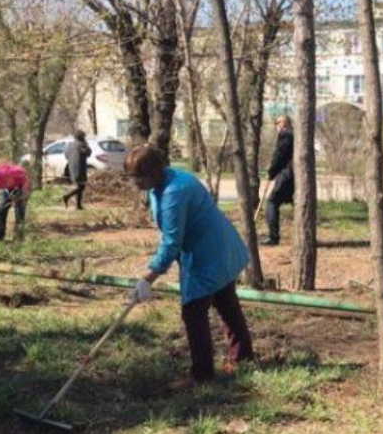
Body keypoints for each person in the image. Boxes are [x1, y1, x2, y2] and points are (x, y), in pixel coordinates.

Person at [126, 145, 254, 386]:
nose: (135, 183)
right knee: (226, 302)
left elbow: (172, 241)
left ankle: (202, 374)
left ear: (153, 172)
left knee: (194, 312)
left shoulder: (175, 192)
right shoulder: (171, 178)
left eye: (138, 178)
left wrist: (148, 278)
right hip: (219, 247)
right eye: (132, 177)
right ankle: (243, 358)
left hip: (207, 254)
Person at [262, 115, 294, 246]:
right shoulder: (295, 136)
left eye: (277, 124)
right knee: (297, 203)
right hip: (295, 176)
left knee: (272, 202)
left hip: (287, 175)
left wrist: (271, 172)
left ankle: (273, 237)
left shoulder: (285, 136)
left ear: (282, 125)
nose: (277, 126)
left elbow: (279, 157)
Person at [63, 131, 91, 210]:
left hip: (71, 167)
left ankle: (78, 205)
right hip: (80, 168)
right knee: (81, 187)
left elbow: (66, 155)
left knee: (79, 186)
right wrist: (87, 146)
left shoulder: (69, 145)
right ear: (82, 137)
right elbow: (88, 153)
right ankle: (66, 196)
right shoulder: (82, 145)